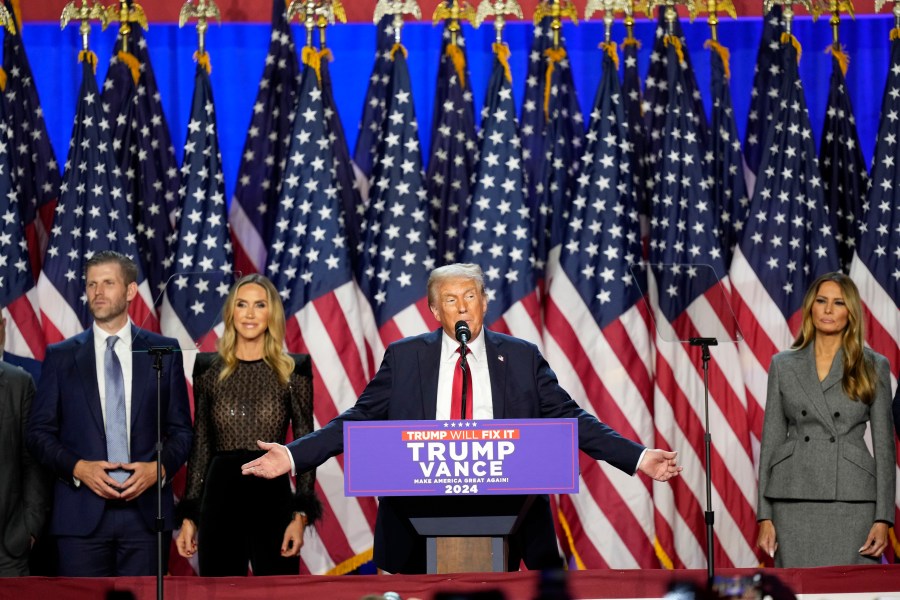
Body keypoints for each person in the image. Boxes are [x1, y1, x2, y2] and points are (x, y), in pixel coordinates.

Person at [242, 263, 682, 573]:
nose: (463, 306)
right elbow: (358, 419)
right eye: (451, 299)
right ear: (435, 311)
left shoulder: (522, 358)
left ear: (484, 303)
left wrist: (638, 457)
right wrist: (295, 456)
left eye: (470, 296)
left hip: (511, 509)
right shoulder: (406, 357)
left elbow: (572, 419)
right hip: (419, 509)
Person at [26, 251, 193, 576]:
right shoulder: (61, 357)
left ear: (130, 291)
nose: (98, 292)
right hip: (79, 517)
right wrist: (78, 467)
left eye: (108, 283)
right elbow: (37, 433)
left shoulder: (163, 350)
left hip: (145, 516)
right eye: (91, 284)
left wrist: (158, 469)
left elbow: (182, 431)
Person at [174, 274, 321, 576]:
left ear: (272, 314)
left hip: (273, 497)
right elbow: (201, 444)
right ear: (231, 312)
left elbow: (306, 443)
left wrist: (301, 515)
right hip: (219, 497)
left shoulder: (294, 369)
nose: (250, 314)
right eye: (242, 305)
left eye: (259, 305)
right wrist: (189, 515)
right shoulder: (207, 368)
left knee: (279, 596)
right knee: (220, 594)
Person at [756, 272, 895, 567]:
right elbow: (771, 441)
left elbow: (885, 451)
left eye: (838, 303)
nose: (828, 310)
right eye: (821, 301)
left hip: (852, 499)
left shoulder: (873, 366)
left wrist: (884, 517)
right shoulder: (782, 364)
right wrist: (765, 514)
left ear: (851, 312)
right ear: (811, 307)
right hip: (792, 498)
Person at [0, 310, 52, 576]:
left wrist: (29, 528)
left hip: (8, 549)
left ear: (3, 327)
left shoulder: (20, 384)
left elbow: (34, 461)